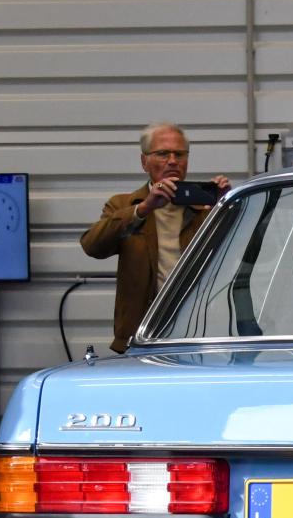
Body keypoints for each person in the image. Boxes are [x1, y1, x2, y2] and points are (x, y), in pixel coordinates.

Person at [80, 123, 231, 352]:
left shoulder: (206, 207)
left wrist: (226, 207)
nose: (172, 161)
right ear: (145, 162)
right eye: (162, 154)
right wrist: (143, 209)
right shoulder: (123, 205)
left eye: (179, 154)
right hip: (142, 334)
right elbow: (92, 246)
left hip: (198, 331)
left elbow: (246, 256)